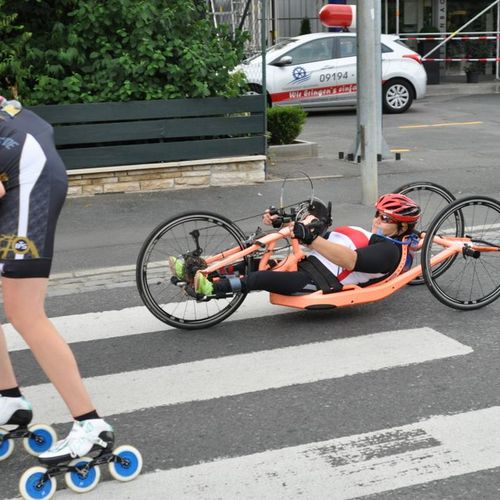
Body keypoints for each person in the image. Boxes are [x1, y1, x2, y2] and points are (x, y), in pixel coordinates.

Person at [0, 97, 113, 462]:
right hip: (26, 174)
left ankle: (90, 426)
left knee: (25, 312)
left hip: (28, 184)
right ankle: (8, 400)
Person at [170, 193, 421, 297]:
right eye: (377, 213)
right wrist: (284, 221)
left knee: (259, 277)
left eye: (385, 218)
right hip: (306, 262)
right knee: (253, 262)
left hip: (319, 280)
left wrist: (310, 237)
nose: (377, 219)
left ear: (402, 227)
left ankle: (211, 289)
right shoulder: (371, 234)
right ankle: (197, 270)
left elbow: (349, 260)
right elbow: (326, 236)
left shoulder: (389, 252)